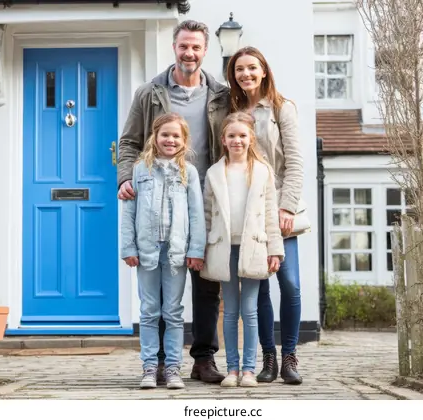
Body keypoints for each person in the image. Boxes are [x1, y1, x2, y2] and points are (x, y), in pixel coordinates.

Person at [117, 19, 230, 384]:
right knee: (161, 291)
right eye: (184, 46)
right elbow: (130, 142)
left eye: (196, 47)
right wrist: (125, 179)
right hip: (156, 198)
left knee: (205, 280)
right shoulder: (149, 93)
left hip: (206, 195)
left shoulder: (220, 94)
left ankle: (203, 358)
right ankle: (162, 363)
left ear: (205, 50)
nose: (190, 53)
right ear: (174, 47)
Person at [226, 46, 305, 384]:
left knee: (289, 284)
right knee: (258, 288)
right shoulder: (229, 109)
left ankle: (290, 356)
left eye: (252, 68)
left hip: (279, 210)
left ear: (263, 70)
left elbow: (296, 163)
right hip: (247, 213)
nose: (246, 74)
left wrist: (286, 206)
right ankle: (268, 358)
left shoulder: (281, 108)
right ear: (234, 75)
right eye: (240, 69)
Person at [120, 112, 206, 389]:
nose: (170, 140)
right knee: (148, 311)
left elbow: (196, 215)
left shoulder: (188, 172)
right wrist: (128, 247)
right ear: (154, 137)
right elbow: (128, 213)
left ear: (184, 140)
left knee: (172, 311)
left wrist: (196, 249)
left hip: (176, 253)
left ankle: (172, 369)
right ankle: (148, 367)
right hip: (146, 251)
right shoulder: (139, 170)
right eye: (165, 134)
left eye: (176, 136)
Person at [199, 112, 285, 388]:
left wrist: (275, 249)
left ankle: (249, 369)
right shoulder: (214, 173)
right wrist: (202, 249)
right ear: (223, 140)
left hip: (254, 247)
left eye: (242, 135)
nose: (237, 140)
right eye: (232, 136)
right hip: (224, 248)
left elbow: (271, 214)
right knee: (230, 310)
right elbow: (206, 215)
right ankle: (232, 369)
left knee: (250, 310)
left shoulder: (262, 172)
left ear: (251, 139)